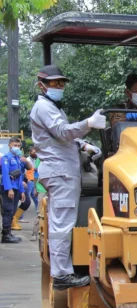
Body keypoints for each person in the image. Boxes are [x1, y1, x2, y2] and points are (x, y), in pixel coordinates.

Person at [30, 64, 106, 289]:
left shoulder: (53, 107)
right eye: (54, 83)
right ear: (42, 85)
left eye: (61, 83)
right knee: (62, 224)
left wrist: (83, 145)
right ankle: (62, 275)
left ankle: (63, 270)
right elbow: (63, 132)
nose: (59, 86)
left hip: (63, 170)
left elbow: (61, 138)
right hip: (59, 171)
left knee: (62, 221)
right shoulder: (43, 107)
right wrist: (88, 124)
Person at [1, 137, 26, 243]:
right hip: (8, 189)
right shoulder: (6, 158)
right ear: (9, 145)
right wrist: (9, 189)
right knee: (8, 211)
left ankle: (9, 233)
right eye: (14, 145)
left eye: (18, 145)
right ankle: (5, 236)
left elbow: (20, 177)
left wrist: (22, 191)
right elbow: (6, 175)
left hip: (16, 189)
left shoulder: (17, 159)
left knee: (13, 211)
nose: (16, 147)